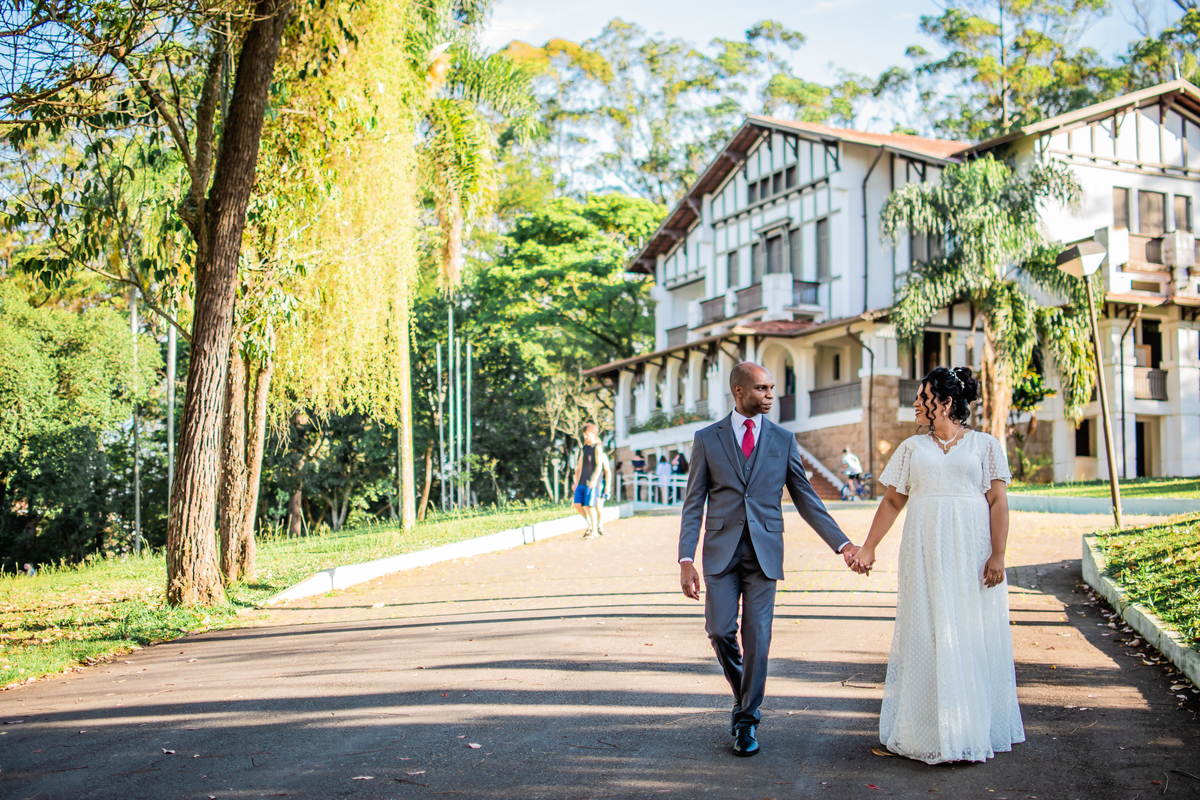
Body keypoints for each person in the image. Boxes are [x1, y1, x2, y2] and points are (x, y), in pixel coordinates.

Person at [678, 362, 861, 757]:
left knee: (758, 640)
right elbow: (694, 503)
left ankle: (746, 721)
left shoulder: (783, 440)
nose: (770, 395)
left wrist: (843, 544)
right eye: (762, 388)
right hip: (719, 554)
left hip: (764, 555)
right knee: (720, 631)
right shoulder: (708, 439)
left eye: (772, 388)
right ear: (739, 391)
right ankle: (746, 695)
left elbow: (807, 500)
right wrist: (685, 558)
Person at [851, 366, 1024, 764]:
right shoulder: (912, 449)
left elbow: (998, 501)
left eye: (923, 397)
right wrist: (869, 547)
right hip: (924, 550)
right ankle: (927, 729)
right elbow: (893, 501)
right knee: (927, 630)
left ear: (945, 404)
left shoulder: (984, 445)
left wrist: (998, 554)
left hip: (970, 550)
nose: (914, 403)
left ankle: (969, 728)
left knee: (967, 630)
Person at [572, 423, 607, 539]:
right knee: (577, 505)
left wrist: (594, 480)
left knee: (589, 506)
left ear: (593, 434)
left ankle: (594, 531)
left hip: (591, 483)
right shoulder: (584, 449)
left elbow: (599, 466)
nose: (585, 437)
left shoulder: (597, 448)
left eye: (587, 435)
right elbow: (579, 466)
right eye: (584, 435)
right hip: (581, 482)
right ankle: (591, 525)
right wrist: (576, 481)